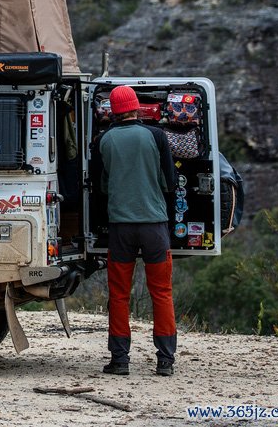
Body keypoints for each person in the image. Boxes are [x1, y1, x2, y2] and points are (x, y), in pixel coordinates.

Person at [98, 85, 177, 377]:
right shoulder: (156, 136)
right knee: (162, 292)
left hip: (121, 228)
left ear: (114, 112)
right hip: (154, 226)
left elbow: (102, 186)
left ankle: (120, 361)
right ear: (135, 107)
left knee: (119, 295)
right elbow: (170, 181)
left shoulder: (104, 140)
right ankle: (165, 361)